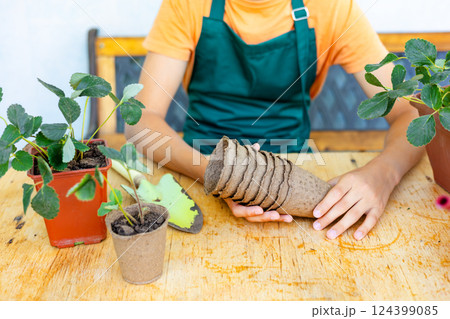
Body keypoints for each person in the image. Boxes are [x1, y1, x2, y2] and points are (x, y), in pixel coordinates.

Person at [126, 0, 424, 240]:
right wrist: (221, 176)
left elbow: (410, 112)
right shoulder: (187, 5)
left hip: (297, 175)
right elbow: (140, 119)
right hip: (196, 171)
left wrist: (383, 174)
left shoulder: (332, 8)